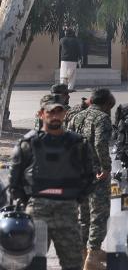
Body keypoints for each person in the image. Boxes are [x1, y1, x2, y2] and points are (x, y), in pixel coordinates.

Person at [10, 94, 95, 270]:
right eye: (50, 112)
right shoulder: (27, 144)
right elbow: (14, 181)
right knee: (32, 263)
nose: (55, 116)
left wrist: (75, 199)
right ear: (41, 114)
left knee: (73, 264)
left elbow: (89, 177)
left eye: (59, 112)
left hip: (67, 211)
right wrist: (29, 201)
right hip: (37, 212)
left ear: (64, 114)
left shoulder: (78, 144)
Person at [67, 87, 116, 269]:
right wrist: (106, 167)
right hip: (96, 173)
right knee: (99, 214)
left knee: (84, 215)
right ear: (105, 104)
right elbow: (100, 144)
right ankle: (93, 255)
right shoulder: (102, 118)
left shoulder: (76, 117)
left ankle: (84, 252)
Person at [59, 27, 82, 91]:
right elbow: (79, 50)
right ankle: (70, 88)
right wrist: (80, 58)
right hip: (73, 60)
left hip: (64, 59)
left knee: (63, 74)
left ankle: (63, 87)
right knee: (72, 75)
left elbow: (60, 44)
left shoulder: (62, 40)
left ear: (66, 33)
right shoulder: (76, 40)